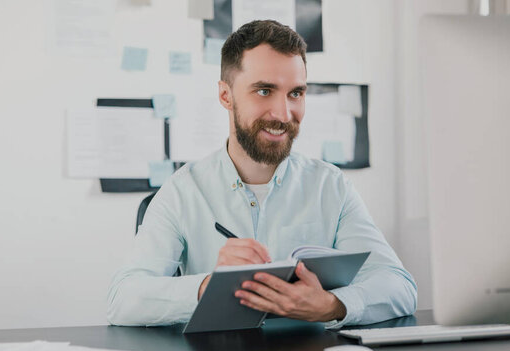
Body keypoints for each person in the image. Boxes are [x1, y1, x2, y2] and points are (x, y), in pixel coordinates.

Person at [107, 20, 417, 328]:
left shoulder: (330, 186)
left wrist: (332, 305)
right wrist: (206, 287)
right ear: (226, 96)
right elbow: (124, 300)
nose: (283, 114)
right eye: (264, 90)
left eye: (295, 93)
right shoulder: (182, 191)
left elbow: (399, 285)